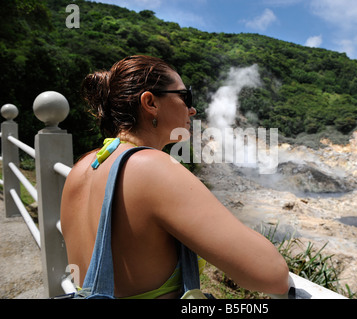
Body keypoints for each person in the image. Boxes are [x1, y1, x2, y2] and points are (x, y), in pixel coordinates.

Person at [60, 55, 289, 299]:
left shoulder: (83, 166)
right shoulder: (152, 168)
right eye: (185, 96)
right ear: (150, 103)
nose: (192, 109)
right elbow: (272, 274)